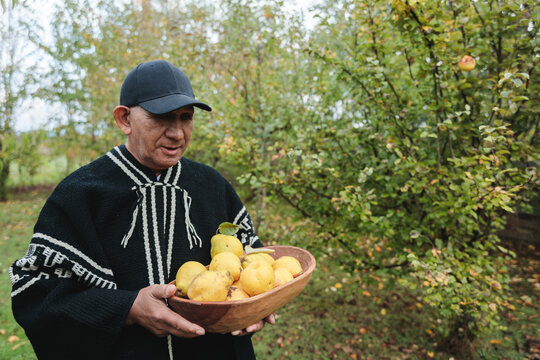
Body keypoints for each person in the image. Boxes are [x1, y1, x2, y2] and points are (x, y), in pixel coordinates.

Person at [10, 60, 274, 359]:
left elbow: (254, 263)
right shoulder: (81, 194)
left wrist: (259, 304)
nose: (177, 132)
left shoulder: (212, 186)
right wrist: (128, 308)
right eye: (162, 117)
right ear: (125, 119)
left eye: (186, 117)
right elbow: (35, 294)